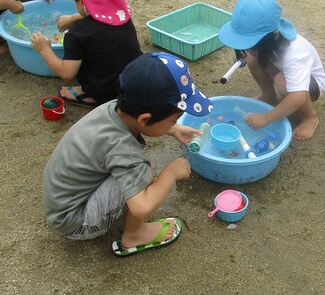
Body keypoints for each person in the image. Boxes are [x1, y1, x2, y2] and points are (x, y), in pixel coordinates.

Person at [43, 52, 214, 256]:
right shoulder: (123, 149)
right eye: (173, 119)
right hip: (75, 222)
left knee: (138, 171)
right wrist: (171, 173)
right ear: (145, 119)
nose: (174, 123)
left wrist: (173, 128)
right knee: (143, 173)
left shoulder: (114, 107)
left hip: (61, 201)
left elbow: (143, 122)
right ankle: (134, 235)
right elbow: (141, 207)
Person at [31, 0, 142, 107]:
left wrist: (44, 49)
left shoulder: (78, 33)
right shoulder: (124, 17)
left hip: (107, 90)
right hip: (135, 81)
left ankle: (93, 95)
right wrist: (73, 17)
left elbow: (67, 74)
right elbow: (102, 16)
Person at [218, 0, 325, 140]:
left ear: (274, 36)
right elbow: (257, 53)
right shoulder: (270, 43)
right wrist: (247, 53)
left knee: (287, 87)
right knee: (252, 59)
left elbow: (298, 96)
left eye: (251, 45)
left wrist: (266, 118)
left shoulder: (295, 53)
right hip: (282, 71)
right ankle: (269, 97)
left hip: (311, 86)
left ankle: (310, 116)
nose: (248, 49)